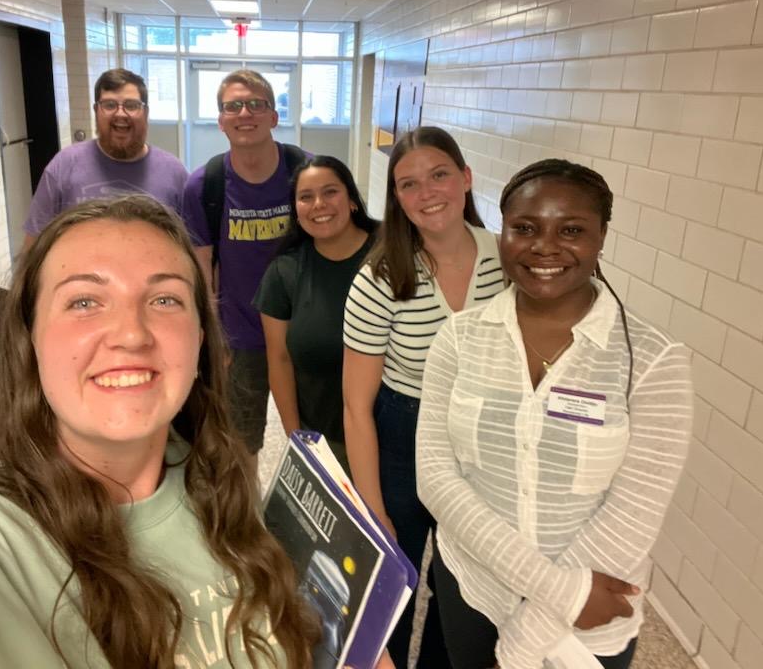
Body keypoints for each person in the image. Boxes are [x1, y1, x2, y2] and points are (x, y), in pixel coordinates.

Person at [0, 196, 318, 667]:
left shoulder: (221, 484)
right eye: (84, 302)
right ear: (29, 338)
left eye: (165, 300)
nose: (132, 334)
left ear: (201, 339)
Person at [416, 159, 694, 669]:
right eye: (525, 228)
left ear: (601, 236)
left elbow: (634, 514)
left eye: (571, 230)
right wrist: (559, 592)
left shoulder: (653, 361)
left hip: (590, 615)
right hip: (476, 588)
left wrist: (523, 645)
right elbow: (436, 478)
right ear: (502, 235)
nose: (545, 247)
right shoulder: (458, 339)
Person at [342, 126, 506, 668]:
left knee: (464, 584)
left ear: (465, 177)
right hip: (403, 432)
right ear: (396, 199)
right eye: (408, 184)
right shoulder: (381, 276)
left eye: (439, 174)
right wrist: (372, 506)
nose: (427, 192)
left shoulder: (508, 261)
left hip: (482, 437)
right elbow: (356, 405)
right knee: (398, 577)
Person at [182, 69, 307, 458]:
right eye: (233, 106)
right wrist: (211, 336)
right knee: (239, 449)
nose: (244, 113)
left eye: (256, 104)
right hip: (239, 339)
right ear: (221, 121)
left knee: (313, 440)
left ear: (274, 116)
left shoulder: (305, 173)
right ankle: (246, 519)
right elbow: (201, 271)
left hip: (304, 333)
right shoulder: (205, 185)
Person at [254, 156, 378, 468]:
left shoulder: (391, 252)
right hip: (326, 442)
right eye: (306, 197)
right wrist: (297, 438)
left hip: (395, 441)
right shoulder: (284, 272)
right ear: (295, 210)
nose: (319, 204)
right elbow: (279, 360)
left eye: (330, 192)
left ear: (351, 200)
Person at [22, 68, 186, 246]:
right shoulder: (63, 166)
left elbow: (192, 249)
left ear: (145, 113)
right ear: (96, 110)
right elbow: (34, 246)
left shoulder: (175, 174)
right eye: (109, 105)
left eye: (131, 105)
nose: (120, 114)